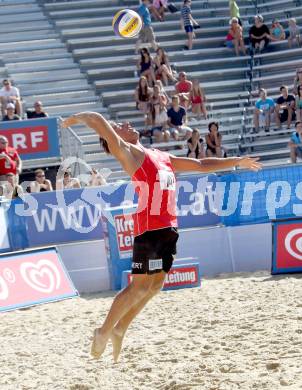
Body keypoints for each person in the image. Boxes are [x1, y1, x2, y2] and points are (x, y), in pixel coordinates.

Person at [61, 111, 261, 363]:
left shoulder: (158, 155)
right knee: (138, 287)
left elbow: (200, 165)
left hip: (168, 228)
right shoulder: (127, 152)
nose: (125, 123)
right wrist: (78, 118)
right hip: (150, 231)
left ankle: (120, 329)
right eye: (118, 126)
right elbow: (99, 121)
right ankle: (103, 331)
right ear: (113, 139)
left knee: (155, 286)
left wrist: (236, 161)